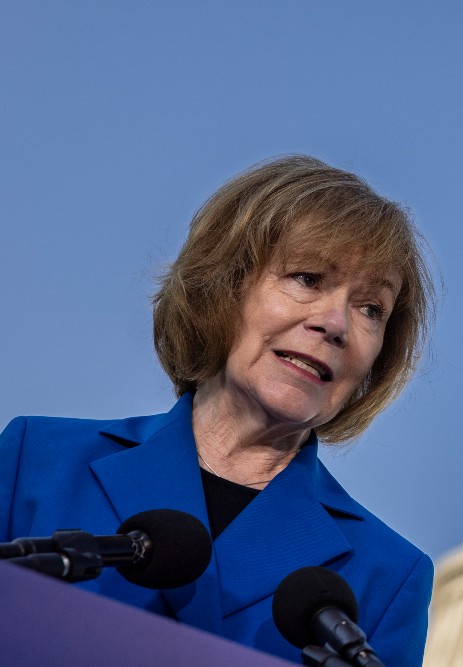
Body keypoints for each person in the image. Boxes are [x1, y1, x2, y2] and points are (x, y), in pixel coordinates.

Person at [0, 156, 435, 666]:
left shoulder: (389, 577)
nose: (335, 323)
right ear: (224, 288)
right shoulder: (37, 459)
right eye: (307, 278)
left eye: (371, 309)